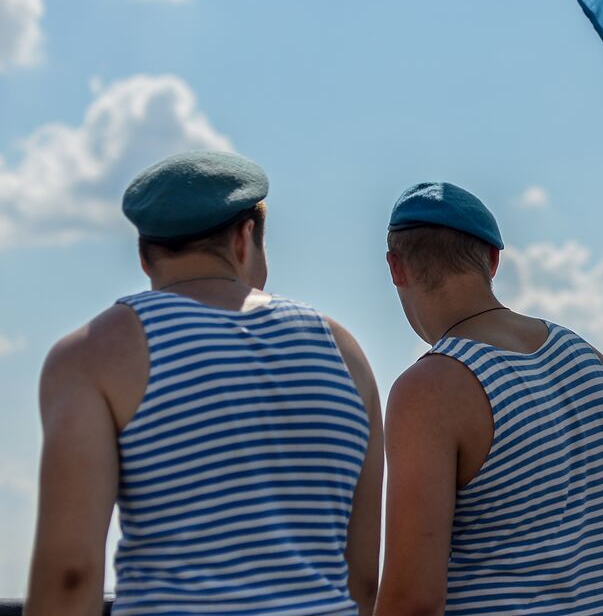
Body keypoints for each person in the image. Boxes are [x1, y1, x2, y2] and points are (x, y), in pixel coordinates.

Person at [27, 150, 383, 615]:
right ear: (245, 238)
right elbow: (363, 579)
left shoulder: (92, 354)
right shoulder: (345, 352)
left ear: (144, 258)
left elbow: (70, 575)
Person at [374, 181, 603, 615]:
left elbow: (412, 599)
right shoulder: (592, 361)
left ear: (396, 267)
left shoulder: (431, 389)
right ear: (493, 261)